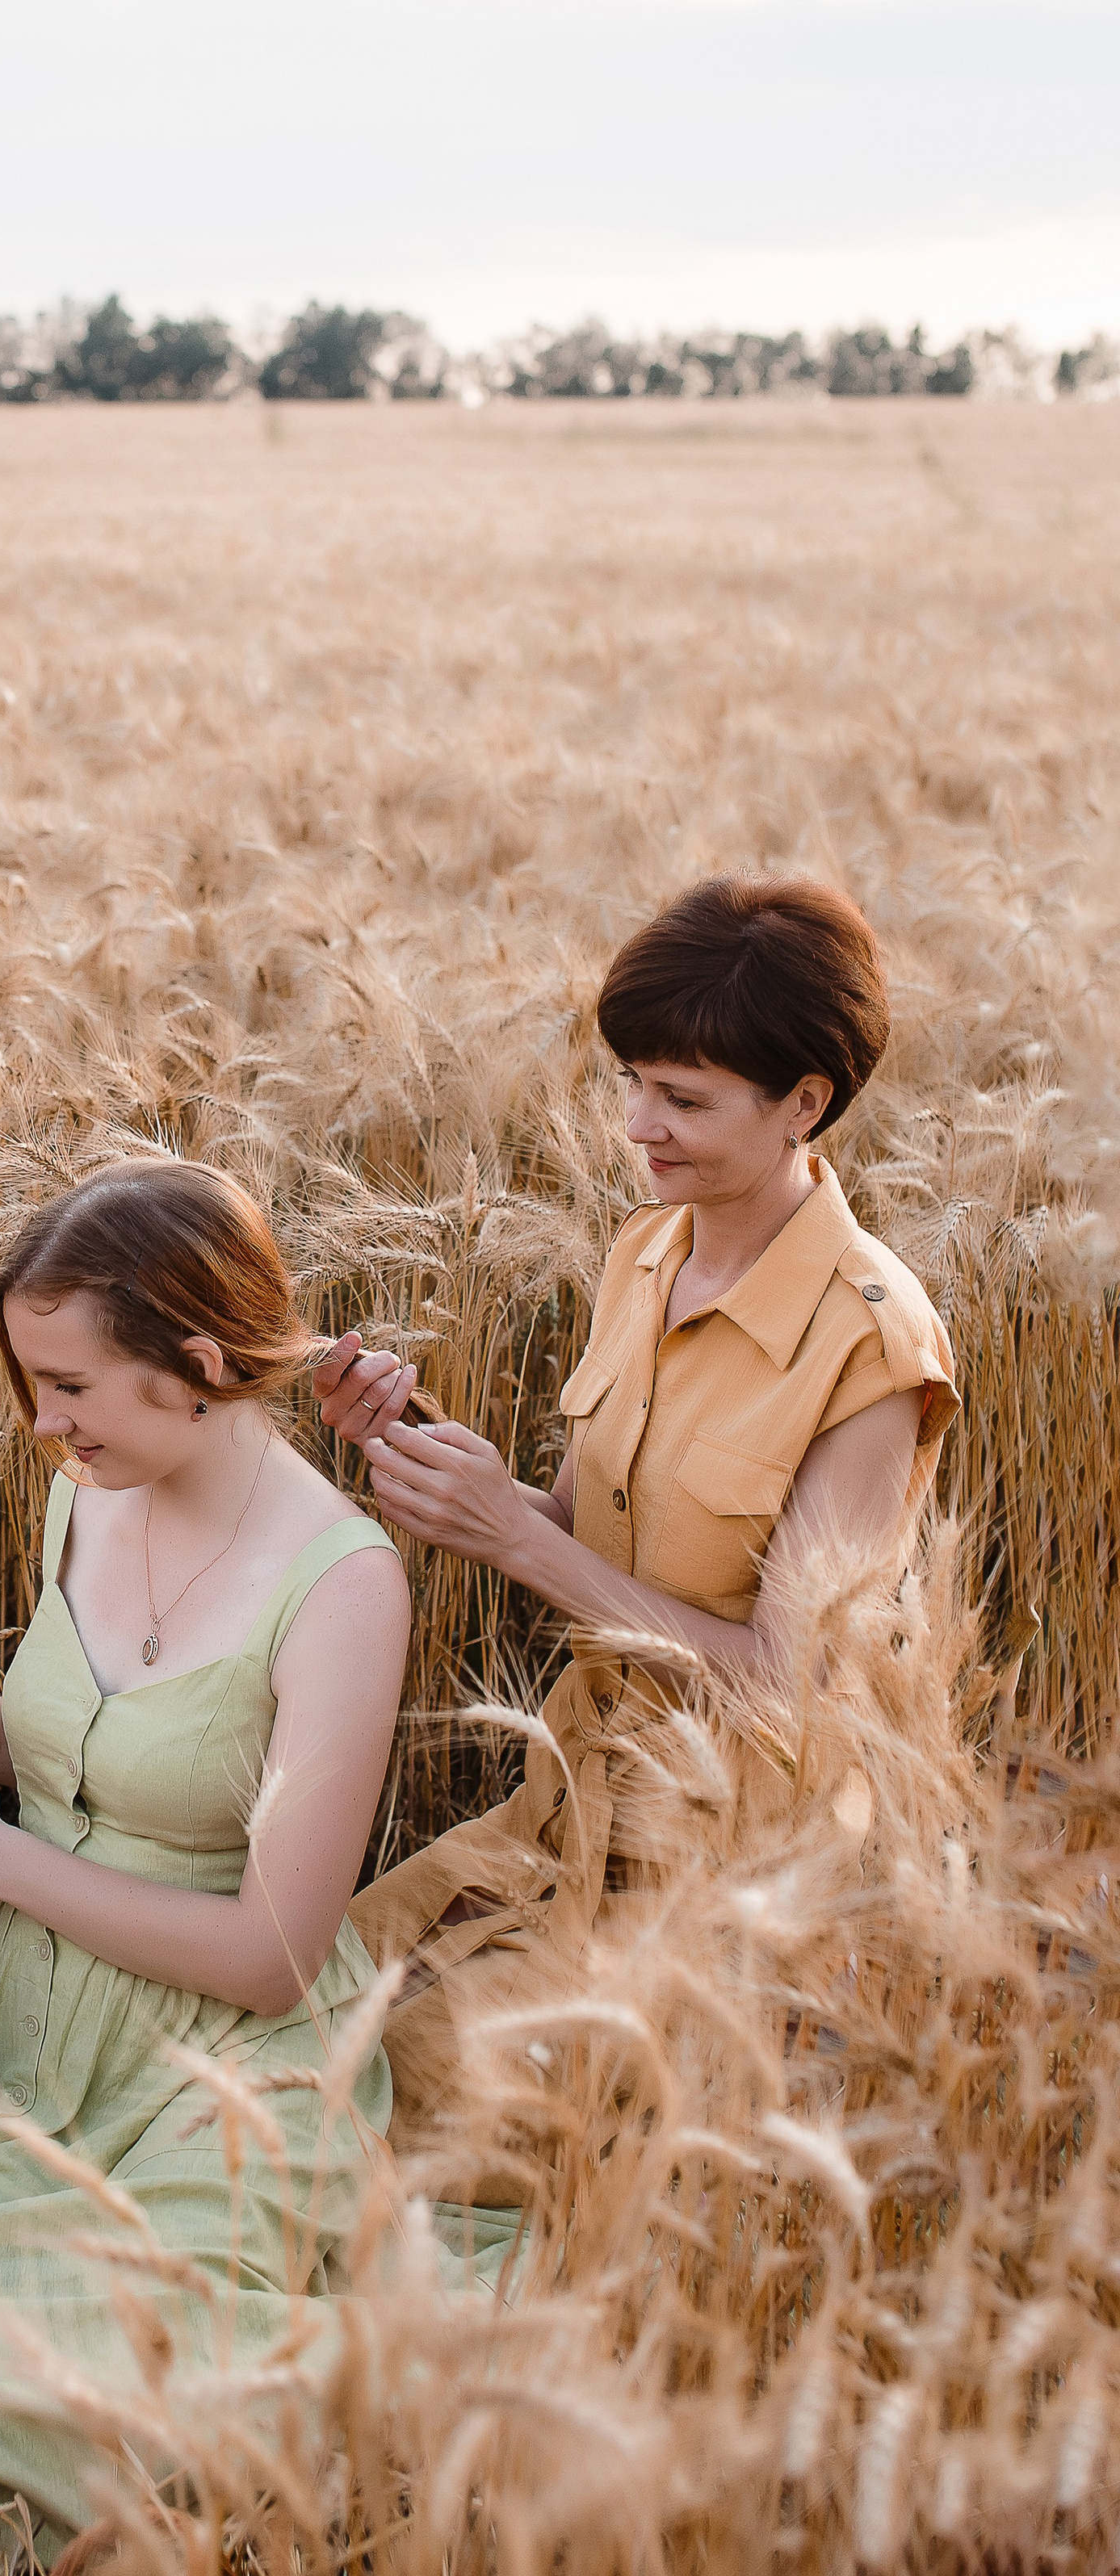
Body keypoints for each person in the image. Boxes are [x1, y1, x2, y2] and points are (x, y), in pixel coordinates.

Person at [0, 1157, 413, 2549]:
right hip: (42, 2033)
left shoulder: (343, 1585)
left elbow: (274, 1954)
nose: (42, 1423)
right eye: (31, 1382)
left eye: (67, 1385)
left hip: (228, 2069)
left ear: (194, 1361)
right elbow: (117, 1755)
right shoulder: (92, 1490)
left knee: (129, 2349)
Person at [313, 874, 959, 2150]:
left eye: (683, 1099)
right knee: (308, 2010)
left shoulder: (875, 1353)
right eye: (631, 1083)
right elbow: (584, 1526)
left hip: (729, 1864)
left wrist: (518, 1536)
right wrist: (442, 1458)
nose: (637, 1126)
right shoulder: (646, 1255)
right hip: (563, 1804)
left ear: (804, 1105)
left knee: (407, 2110)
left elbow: (790, 1688)